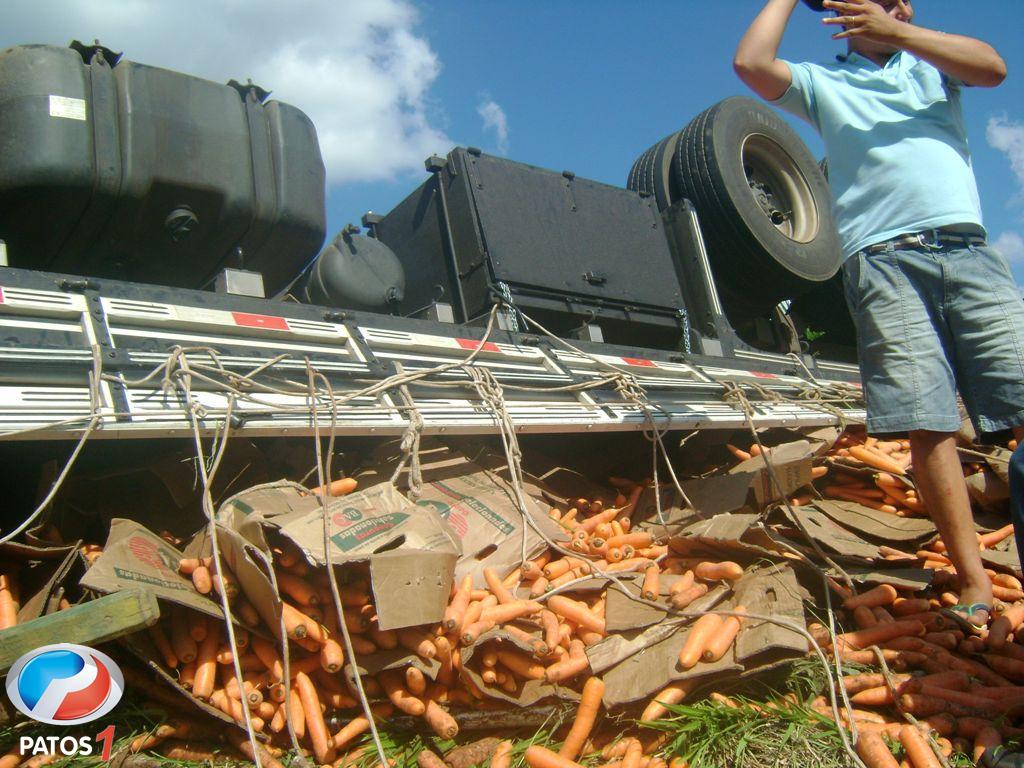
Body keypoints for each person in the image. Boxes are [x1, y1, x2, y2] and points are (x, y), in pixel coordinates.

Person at [733, 0, 1024, 635]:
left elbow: (995, 68)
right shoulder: (826, 82)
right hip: (883, 265)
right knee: (927, 424)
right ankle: (975, 580)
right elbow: (751, 64)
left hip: (967, 250)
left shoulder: (932, 64)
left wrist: (900, 33)